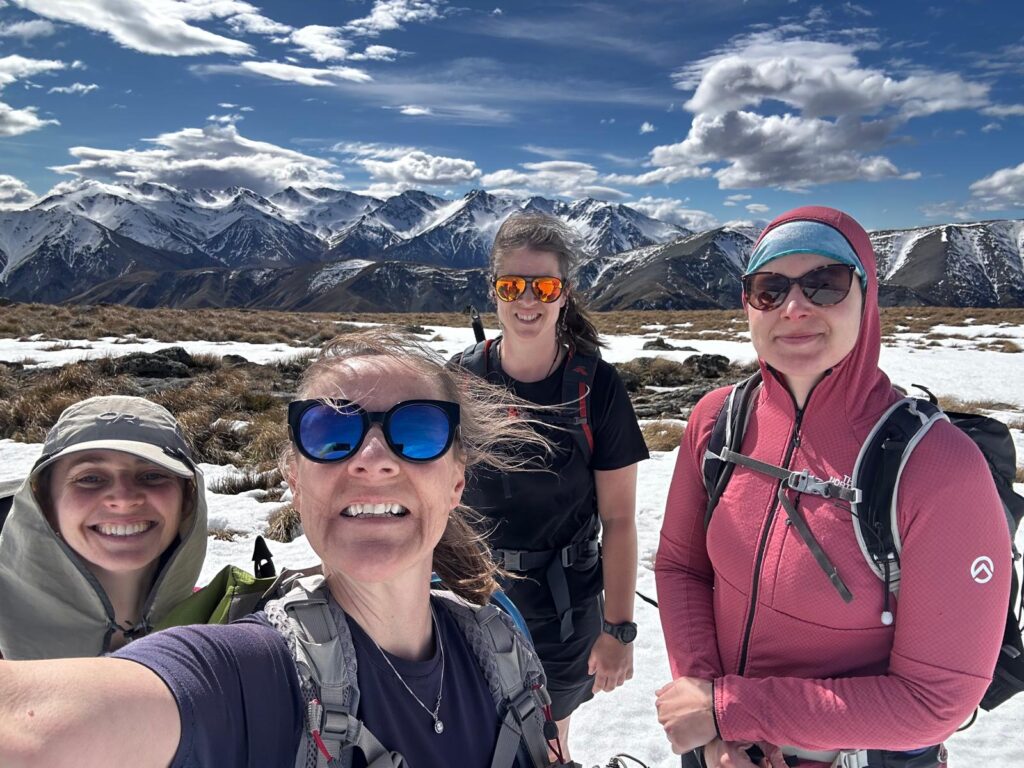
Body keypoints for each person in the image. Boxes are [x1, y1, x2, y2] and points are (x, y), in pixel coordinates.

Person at [0, 330, 554, 768]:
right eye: (331, 434)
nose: (373, 459)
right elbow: (32, 730)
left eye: (420, 430)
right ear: (294, 479)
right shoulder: (243, 674)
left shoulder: (501, 645)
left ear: (457, 480)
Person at [654, 206, 1012, 768]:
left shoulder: (938, 465)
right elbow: (682, 567)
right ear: (748, 304)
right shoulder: (717, 421)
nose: (795, 307)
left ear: (867, 298)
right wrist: (709, 714)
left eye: (826, 283)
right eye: (770, 288)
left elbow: (936, 701)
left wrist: (732, 710)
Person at [453, 212, 650, 764]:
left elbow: (619, 520)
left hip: (563, 612)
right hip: (470, 598)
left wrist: (618, 630)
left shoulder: (596, 387)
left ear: (564, 293)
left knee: (546, 746)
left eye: (543, 287)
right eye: (512, 286)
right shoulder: (460, 381)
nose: (527, 300)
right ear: (493, 290)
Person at [0, 395, 207, 659]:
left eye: (153, 475)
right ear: (45, 502)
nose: (124, 499)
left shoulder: (222, 623)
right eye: (90, 478)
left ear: (187, 499)